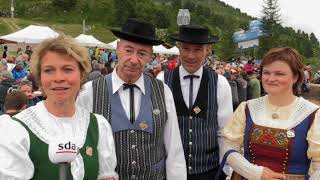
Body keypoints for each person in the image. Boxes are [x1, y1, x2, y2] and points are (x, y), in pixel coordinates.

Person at [77, 18, 187, 180]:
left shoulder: (163, 91)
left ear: (150, 56)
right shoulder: (89, 91)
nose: (134, 60)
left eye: (142, 53)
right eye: (128, 50)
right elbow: (80, 148)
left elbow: (174, 148)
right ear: (118, 49)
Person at [0, 35, 118, 180]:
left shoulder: (98, 125)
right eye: (49, 70)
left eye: (67, 69)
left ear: (82, 75)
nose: (58, 78)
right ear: (40, 78)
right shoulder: (16, 129)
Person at [222, 47, 320, 179]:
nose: (271, 78)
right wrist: (254, 172)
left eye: (279, 74)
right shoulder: (247, 108)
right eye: (266, 72)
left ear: (296, 77)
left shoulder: (312, 114)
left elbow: (318, 164)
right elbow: (228, 147)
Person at [157, 25, 233, 180]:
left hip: (209, 171)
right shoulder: (162, 80)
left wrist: (225, 170)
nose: (191, 55)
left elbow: (224, 132)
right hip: (170, 171)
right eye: (186, 49)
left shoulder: (220, 83)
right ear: (179, 48)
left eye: (198, 49)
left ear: (207, 50)